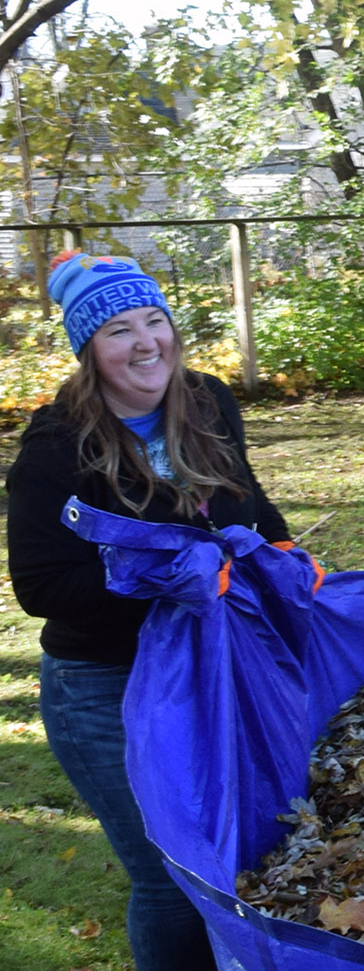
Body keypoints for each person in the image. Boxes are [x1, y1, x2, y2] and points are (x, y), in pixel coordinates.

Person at [7, 250, 300, 971]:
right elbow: (41, 588)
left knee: (237, 856)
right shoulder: (55, 448)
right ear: (88, 350)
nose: (145, 343)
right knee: (171, 879)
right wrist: (163, 580)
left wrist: (284, 552)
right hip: (107, 685)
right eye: (117, 330)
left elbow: (248, 500)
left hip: (213, 667)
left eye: (154, 319)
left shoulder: (206, 402)